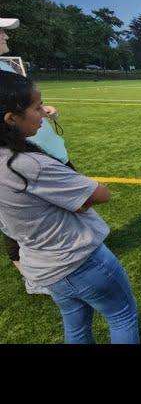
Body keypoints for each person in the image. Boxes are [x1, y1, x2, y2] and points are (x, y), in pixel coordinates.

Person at [0, 71, 139, 343]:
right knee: (122, 315)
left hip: (42, 265)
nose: (42, 113)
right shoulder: (27, 166)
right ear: (11, 118)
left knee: (76, 326)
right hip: (79, 259)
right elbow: (100, 194)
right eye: (36, 107)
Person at [1, 16, 74, 295]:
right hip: (22, 159)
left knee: (60, 209)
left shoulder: (7, 68)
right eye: (1, 32)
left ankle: (62, 259)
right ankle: (33, 275)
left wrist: (41, 110)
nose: (6, 37)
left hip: (45, 152)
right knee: (19, 218)